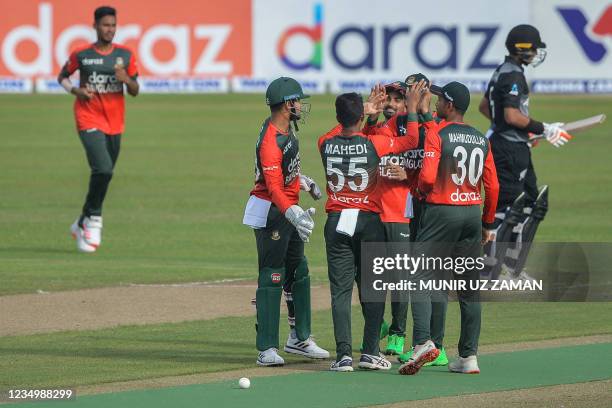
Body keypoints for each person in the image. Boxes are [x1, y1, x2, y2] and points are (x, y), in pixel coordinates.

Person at [318, 81, 426, 372]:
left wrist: (364, 112)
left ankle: (342, 356)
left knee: (340, 291)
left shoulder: (325, 142)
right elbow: (412, 140)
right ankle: (369, 353)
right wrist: (412, 108)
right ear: (360, 115)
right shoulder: (374, 143)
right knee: (373, 289)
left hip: (337, 219)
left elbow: (335, 131)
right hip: (368, 221)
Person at [398, 82, 499, 375]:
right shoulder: (481, 138)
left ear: (450, 105)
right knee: (469, 288)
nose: (438, 101)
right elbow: (492, 186)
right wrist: (488, 223)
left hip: (441, 210)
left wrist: (417, 188)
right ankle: (468, 357)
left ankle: (422, 343)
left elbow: (428, 178)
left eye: (441, 99)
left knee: (417, 272)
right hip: (470, 212)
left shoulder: (437, 134)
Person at [242, 77, 329, 366]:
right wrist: (291, 212)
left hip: (287, 206)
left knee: (299, 271)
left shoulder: (286, 129)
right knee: (272, 276)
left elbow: (285, 174)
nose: (300, 106)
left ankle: (299, 338)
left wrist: (302, 181)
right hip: (270, 211)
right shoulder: (270, 141)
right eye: (296, 101)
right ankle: (266, 347)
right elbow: (272, 186)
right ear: (286, 104)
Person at [478, 24, 571, 279]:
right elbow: (509, 114)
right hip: (508, 150)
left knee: (531, 201)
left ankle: (509, 264)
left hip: (512, 145)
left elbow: (485, 107)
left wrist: (524, 133)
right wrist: (543, 127)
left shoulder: (503, 71)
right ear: (522, 50)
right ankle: (489, 269)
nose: (536, 53)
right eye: (533, 48)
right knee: (507, 207)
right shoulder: (512, 76)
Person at [58, 6, 139, 253]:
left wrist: (126, 80)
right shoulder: (82, 54)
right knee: (102, 169)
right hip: (88, 118)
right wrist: (76, 91)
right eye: (105, 25)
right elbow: (62, 76)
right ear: (95, 26)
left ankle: (82, 220)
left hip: (115, 123)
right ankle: (93, 220)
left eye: (113, 25)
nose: (110, 30)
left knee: (105, 174)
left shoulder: (125, 55)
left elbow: (136, 90)